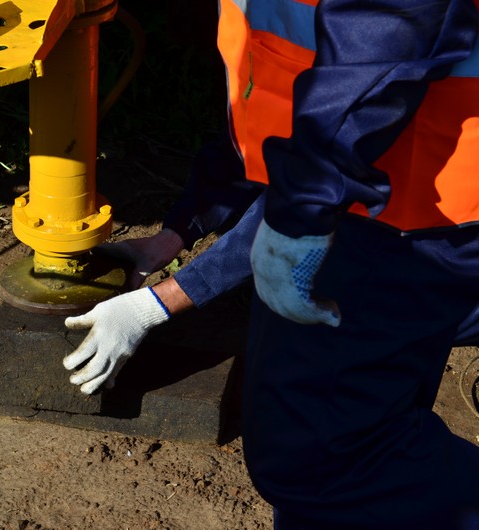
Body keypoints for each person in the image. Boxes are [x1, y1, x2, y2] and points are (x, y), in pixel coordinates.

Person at [63, 0, 479, 528]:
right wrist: (174, 235)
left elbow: (345, 106)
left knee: (322, 463)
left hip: (406, 217)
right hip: (405, 202)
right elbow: (270, 110)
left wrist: (159, 303)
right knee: (352, 451)